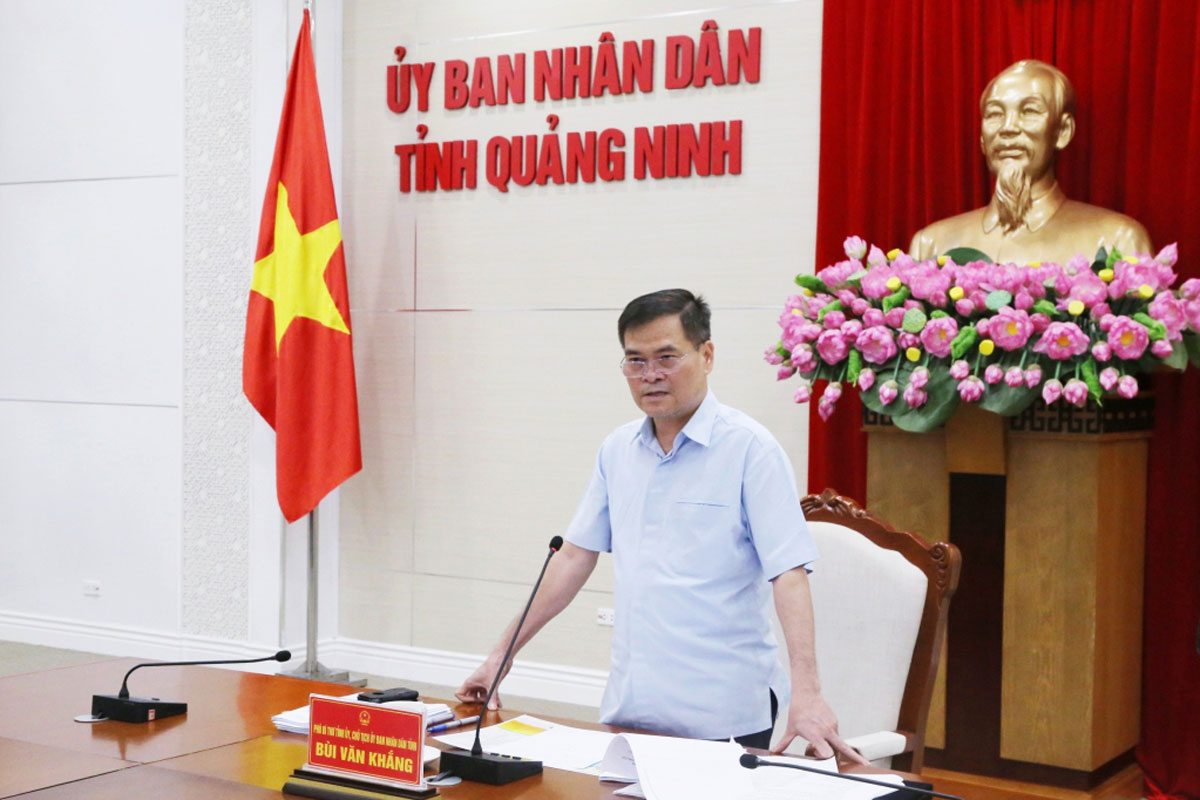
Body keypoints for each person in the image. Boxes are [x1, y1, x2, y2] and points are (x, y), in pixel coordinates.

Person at [455, 289, 866, 763]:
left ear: (706, 355)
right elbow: (572, 557)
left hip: (724, 712)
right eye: (635, 360)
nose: (650, 375)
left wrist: (807, 692)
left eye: (666, 357)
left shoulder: (750, 450)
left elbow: (789, 573)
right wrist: (499, 658)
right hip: (633, 704)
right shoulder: (617, 451)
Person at [910, 59, 1151, 265]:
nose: (1008, 128)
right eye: (995, 114)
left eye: (1029, 111)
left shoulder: (1118, 242)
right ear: (982, 138)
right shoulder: (931, 245)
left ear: (1063, 131)